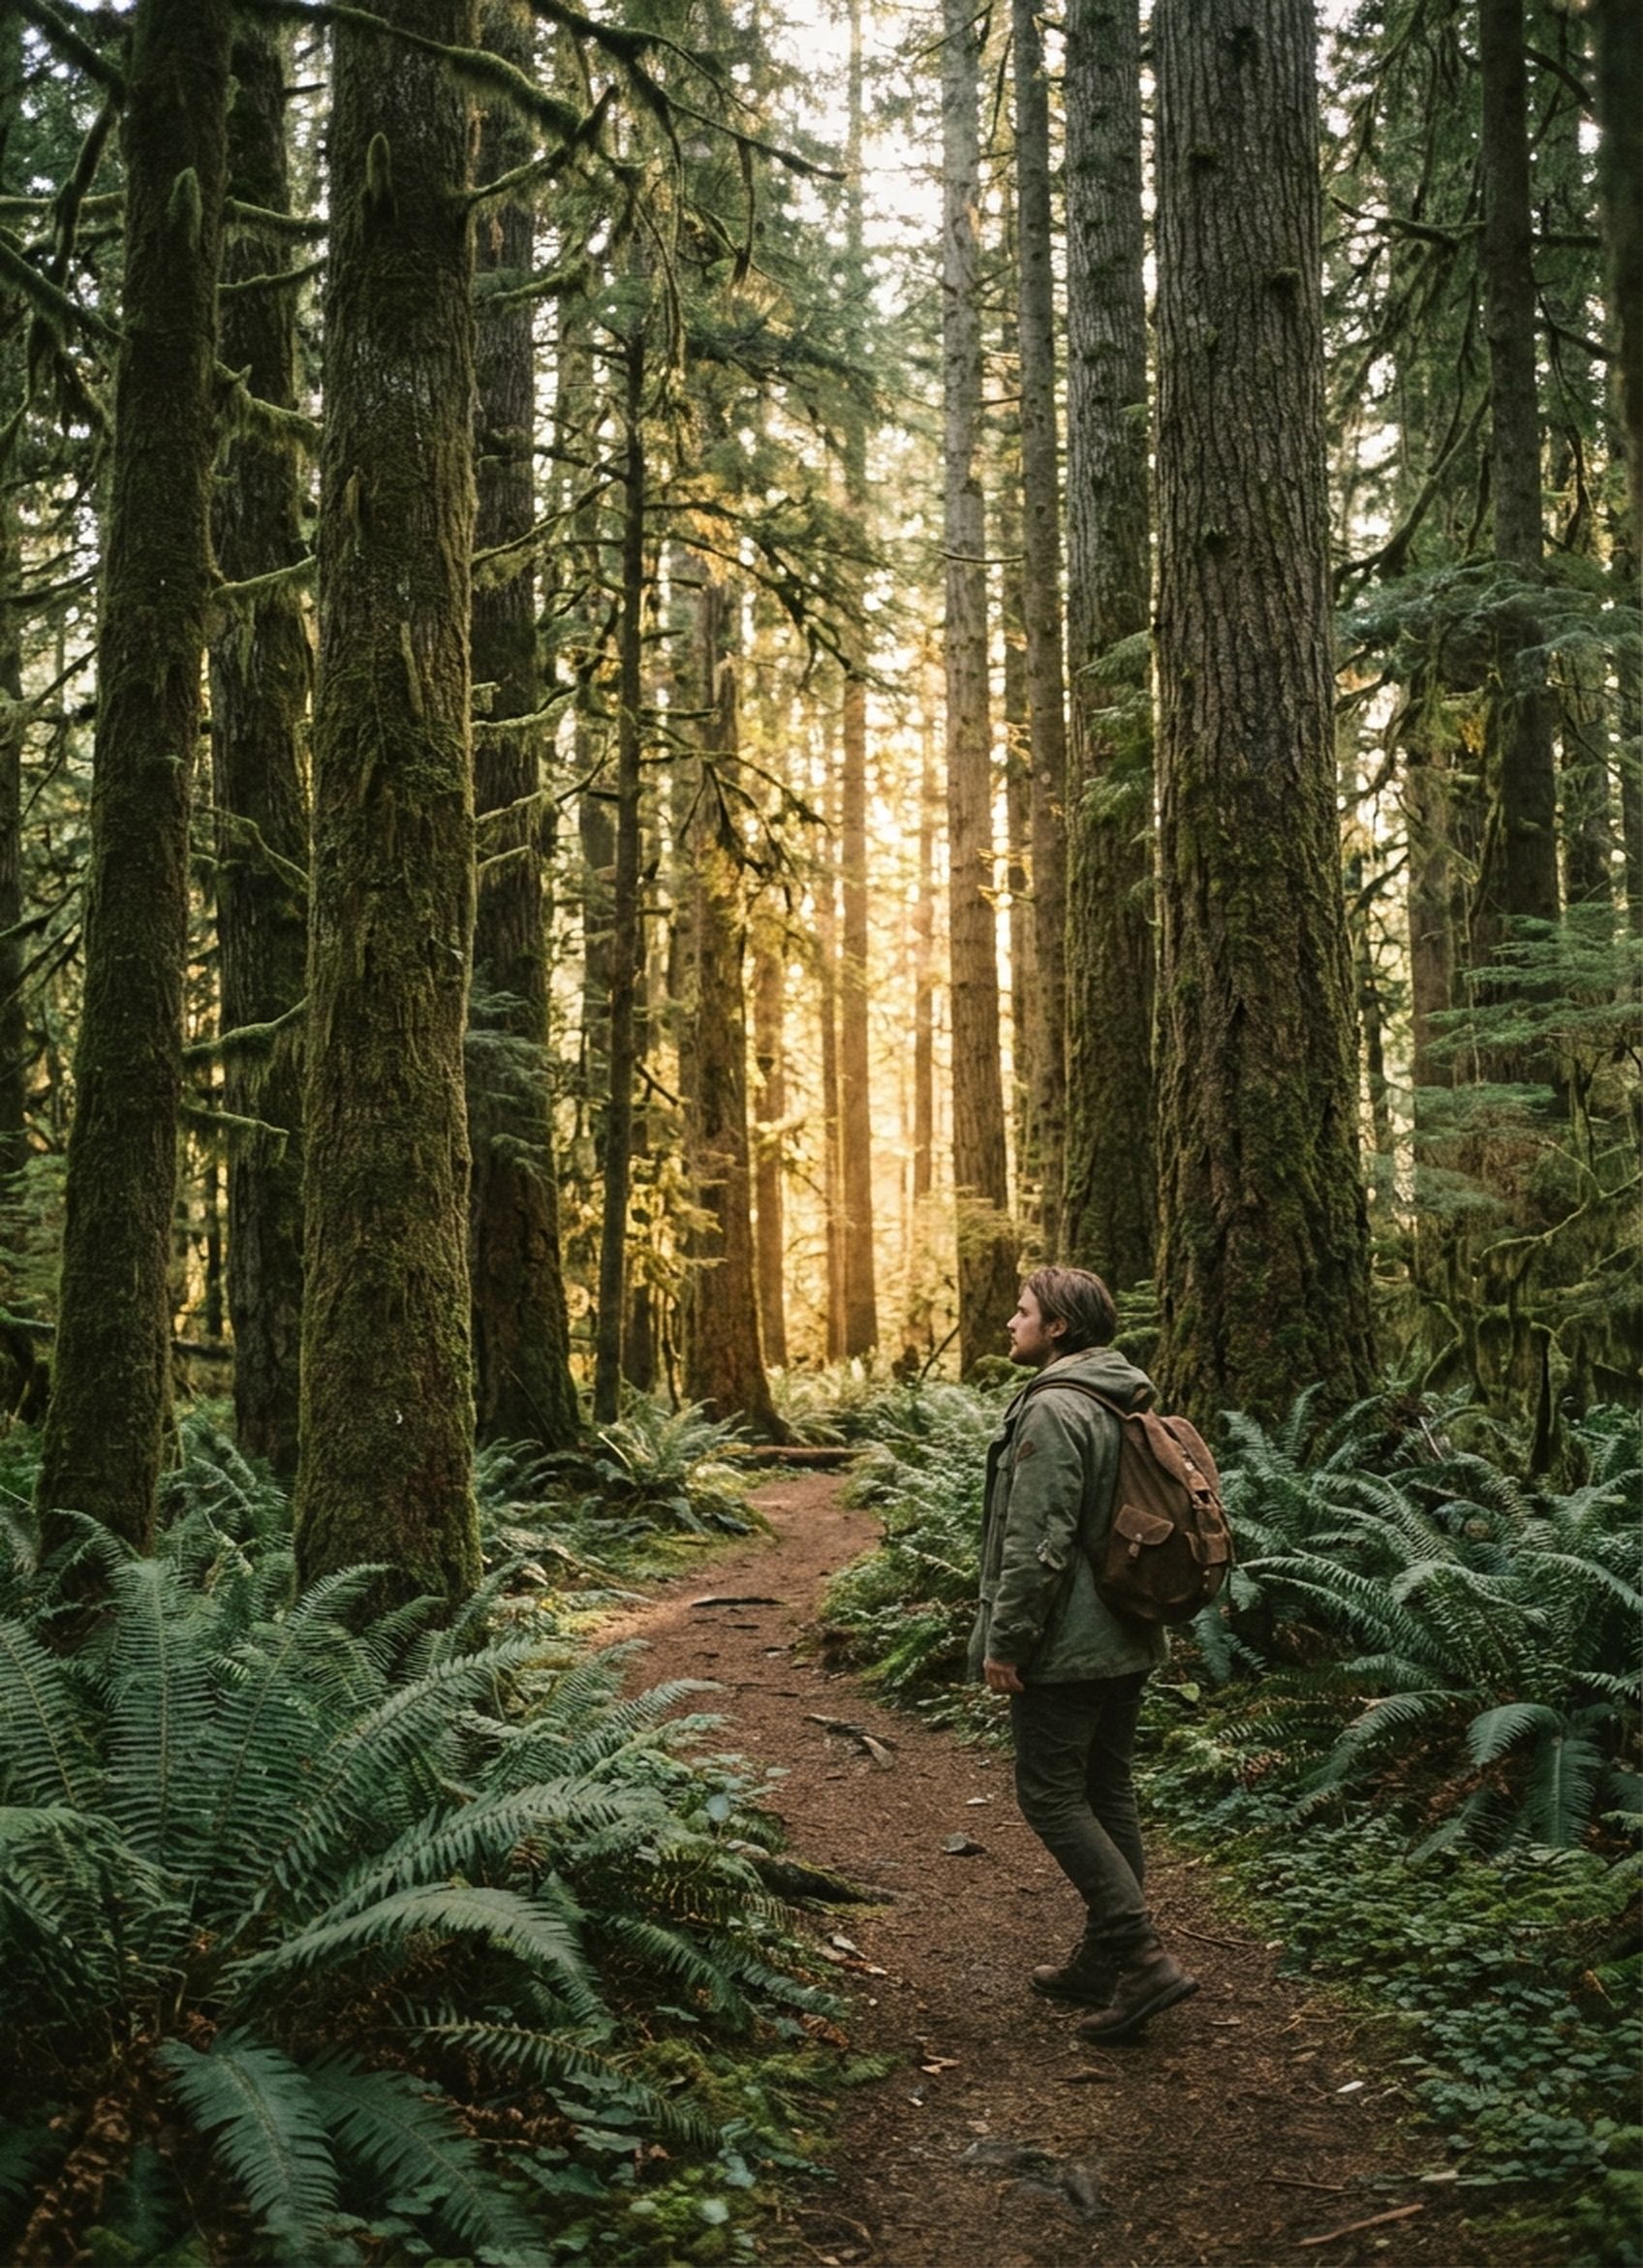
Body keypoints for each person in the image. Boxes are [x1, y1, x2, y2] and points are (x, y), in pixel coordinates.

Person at [968, 1264, 1197, 2044]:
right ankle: (1105, 1960)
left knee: (1050, 1795)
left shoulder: (1054, 1407)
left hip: (1069, 1644)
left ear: (1058, 1326)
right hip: (1128, 1630)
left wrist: (1007, 1642)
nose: (1011, 1322)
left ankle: (1141, 1956)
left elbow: (1038, 1540)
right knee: (1106, 1789)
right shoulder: (1117, 1394)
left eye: (1023, 1310)